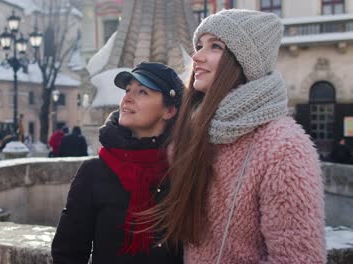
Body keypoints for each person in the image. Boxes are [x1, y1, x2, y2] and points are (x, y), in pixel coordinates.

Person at [145, 9, 326, 263]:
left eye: (215, 46)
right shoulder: (192, 135)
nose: (196, 56)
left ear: (243, 61)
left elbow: (298, 258)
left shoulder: (283, 146)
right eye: (198, 45)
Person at [52, 61, 184, 263]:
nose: (127, 98)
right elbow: (68, 253)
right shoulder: (94, 172)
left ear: (169, 111)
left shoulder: (184, 172)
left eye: (142, 92)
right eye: (128, 90)